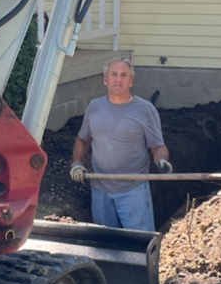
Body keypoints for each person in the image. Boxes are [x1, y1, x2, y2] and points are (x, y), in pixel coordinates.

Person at [70, 56, 172, 230]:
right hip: (100, 188)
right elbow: (83, 139)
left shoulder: (145, 110)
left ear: (130, 81)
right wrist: (77, 163)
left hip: (133, 190)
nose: (118, 79)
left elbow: (157, 146)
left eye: (124, 75)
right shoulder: (94, 107)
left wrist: (161, 161)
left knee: (139, 243)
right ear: (105, 79)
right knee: (104, 243)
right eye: (114, 74)